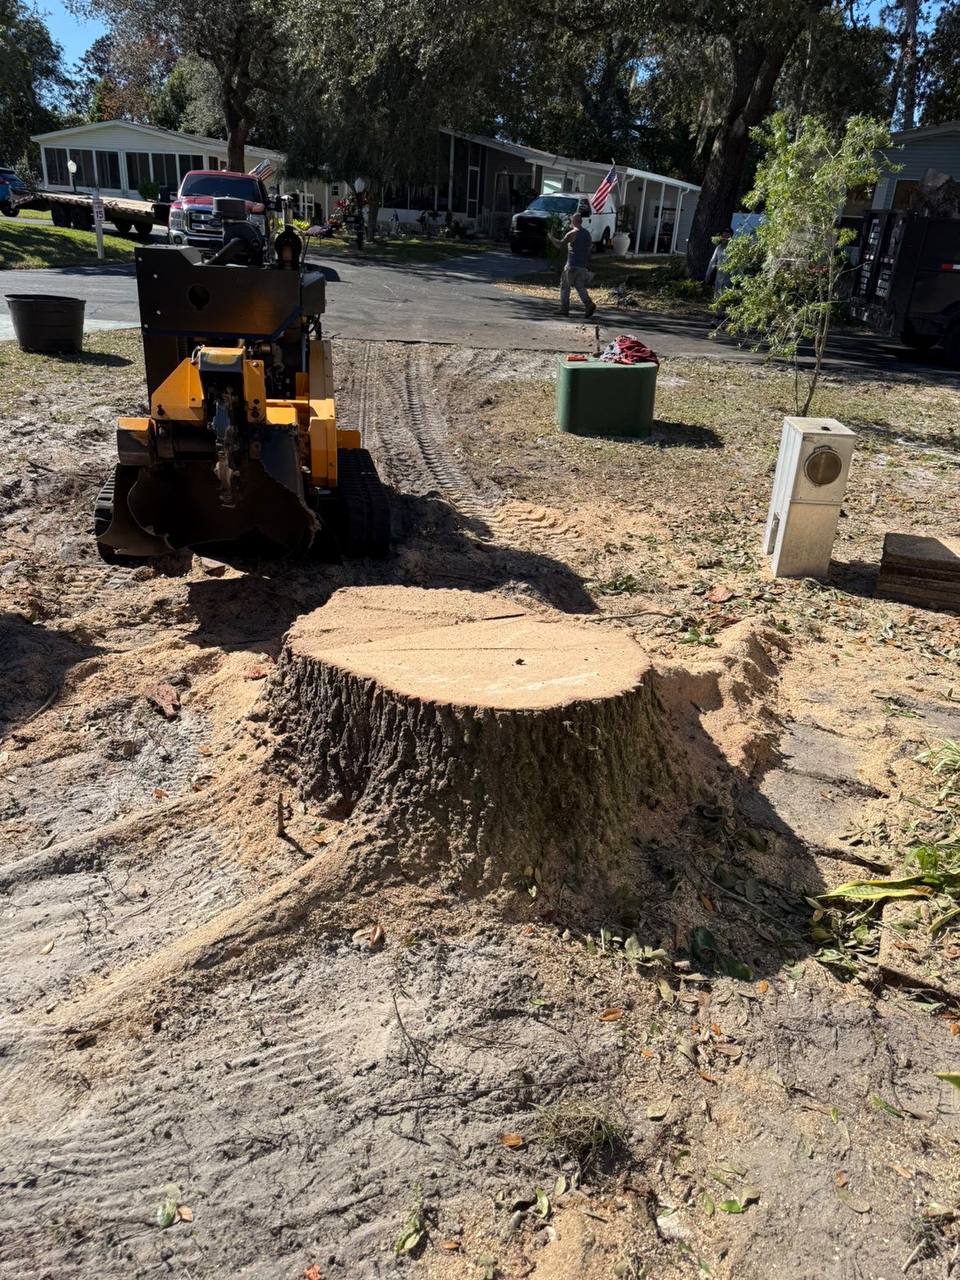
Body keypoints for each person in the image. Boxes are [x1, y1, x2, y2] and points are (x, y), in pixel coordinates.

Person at [549, 212, 596, 318]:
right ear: (581, 221)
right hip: (582, 266)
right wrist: (589, 265)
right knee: (579, 286)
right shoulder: (587, 234)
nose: (570, 222)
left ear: (574, 221)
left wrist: (551, 238)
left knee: (565, 286)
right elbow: (589, 251)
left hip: (571, 265)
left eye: (571, 221)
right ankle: (589, 304)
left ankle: (564, 308)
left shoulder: (572, 233)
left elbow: (560, 245)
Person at [705, 228, 733, 296]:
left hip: (729, 277)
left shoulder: (734, 248)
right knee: (717, 296)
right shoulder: (718, 248)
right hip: (719, 276)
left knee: (726, 296)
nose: (724, 238)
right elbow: (712, 261)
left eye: (727, 236)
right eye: (723, 236)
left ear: (730, 237)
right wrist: (708, 274)